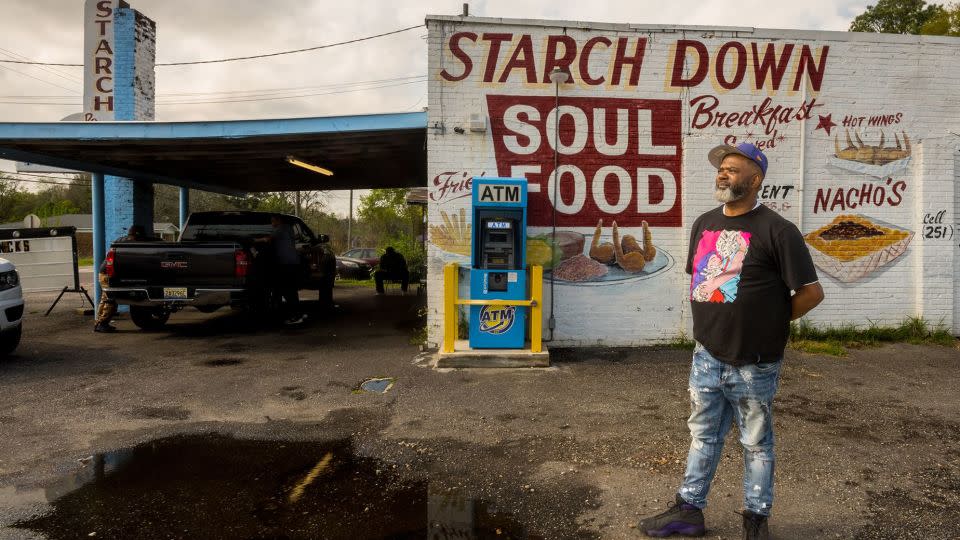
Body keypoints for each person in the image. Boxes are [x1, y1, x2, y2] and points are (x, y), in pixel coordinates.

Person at [638, 143, 825, 539]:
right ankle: (689, 510)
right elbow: (703, 282)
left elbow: (810, 293)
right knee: (703, 434)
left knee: (756, 443)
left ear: (755, 180)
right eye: (722, 168)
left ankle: (755, 519)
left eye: (734, 169)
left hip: (755, 362)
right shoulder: (704, 223)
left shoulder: (779, 231)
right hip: (707, 354)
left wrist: (771, 323)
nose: (723, 174)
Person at [94, 225, 146, 333]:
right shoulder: (132, 244)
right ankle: (102, 324)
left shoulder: (121, 241)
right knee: (110, 300)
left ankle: (99, 323)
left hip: (103, 273)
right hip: (108, 274)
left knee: (105, 298)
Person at [267, 215, 305, 325]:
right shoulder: (288, 228)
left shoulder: (280, 230)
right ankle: (298, 314)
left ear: (279, 221)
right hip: (293, 263)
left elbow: (268, 239)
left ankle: (295, 316)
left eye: (273, 221)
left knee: (287, 290)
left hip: (286, 264)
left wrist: (253, 239)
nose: (272, 224)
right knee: (291, 289)